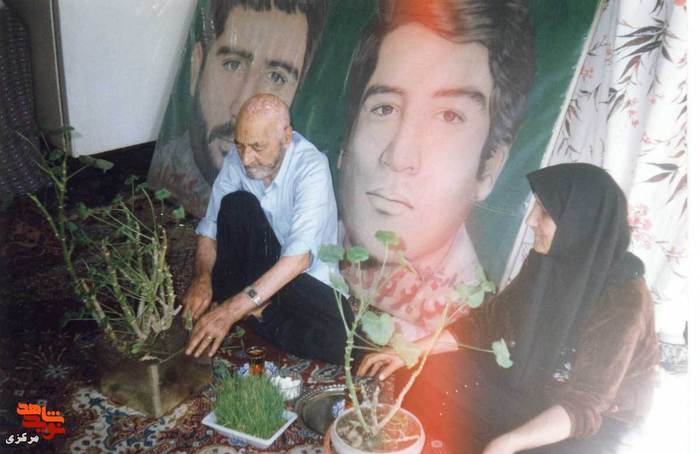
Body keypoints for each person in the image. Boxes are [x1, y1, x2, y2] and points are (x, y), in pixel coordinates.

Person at [358, 163, 659, 453]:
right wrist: (410, 351)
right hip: (536, 378)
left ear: (579, 224)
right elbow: (488, 322)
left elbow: (586, 404)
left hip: (591, 418)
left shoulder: (624, 299)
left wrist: (511, 442)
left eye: (544, 212)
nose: (531, 221)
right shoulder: (549, 260)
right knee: (423, 374)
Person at [338, 0, 536, 340]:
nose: (399, 156)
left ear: (487, 169)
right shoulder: (304, 249)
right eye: (384, 108)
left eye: (448, 117)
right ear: (347, 137)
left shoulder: (472, 331)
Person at [183, 94, 351, 365]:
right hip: (258, 264)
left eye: (257, 147)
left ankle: (258, 313)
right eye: (240, 145)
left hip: (299, 275)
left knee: (342, 340)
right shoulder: (239, 158)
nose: (246, 159)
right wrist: (202, 278)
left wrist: (231, 310)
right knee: (236, 205)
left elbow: (298, 260)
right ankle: (255, 308)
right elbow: (210, 228)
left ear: (286, 137)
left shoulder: (312, 168)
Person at [148, 0, 327, 216]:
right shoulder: (163, 174)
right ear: (197, 67)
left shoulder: (299, 205)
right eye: (233, 64)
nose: (243, 109)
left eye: (276, 77)